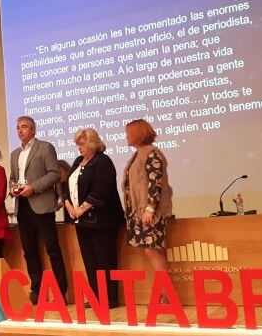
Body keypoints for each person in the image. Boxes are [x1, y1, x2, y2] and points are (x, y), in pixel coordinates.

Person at [9, 116, 67, 305]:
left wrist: (34, 187)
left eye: (24, 127)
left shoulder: (45, 147)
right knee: (29, 251)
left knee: (53, 250)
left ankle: (60, 292)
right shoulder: (15, 153)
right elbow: (12, 177)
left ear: (33, 129)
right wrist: (12, 187)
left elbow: (55, 173)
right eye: (18, 128)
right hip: (23, 206)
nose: (20, 131)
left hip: (41, 204)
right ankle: (37, 290)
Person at [64, 128, 124, 309]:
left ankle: (110, 299)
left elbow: (101, 190)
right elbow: (67, 186)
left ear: (92, 143)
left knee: (105, 260)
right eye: (78, 144)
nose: (79, 148)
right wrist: (69, 207)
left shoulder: (103, 161)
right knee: (90, 261)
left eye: (82, 144)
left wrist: (81, 209)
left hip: (102, 221)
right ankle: (96, 297)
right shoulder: (77, 162)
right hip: (81, 221)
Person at [122, 119, 173, 303]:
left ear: (138, 133)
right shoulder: (138, 154)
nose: (126, 136)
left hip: (149, 212)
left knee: (154, 251)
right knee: (151, 251)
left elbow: (155, 182)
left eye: (129, 132)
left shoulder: (152, 154)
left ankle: (167, 294)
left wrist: (150, 208)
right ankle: (164, 293)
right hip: (139, 212)